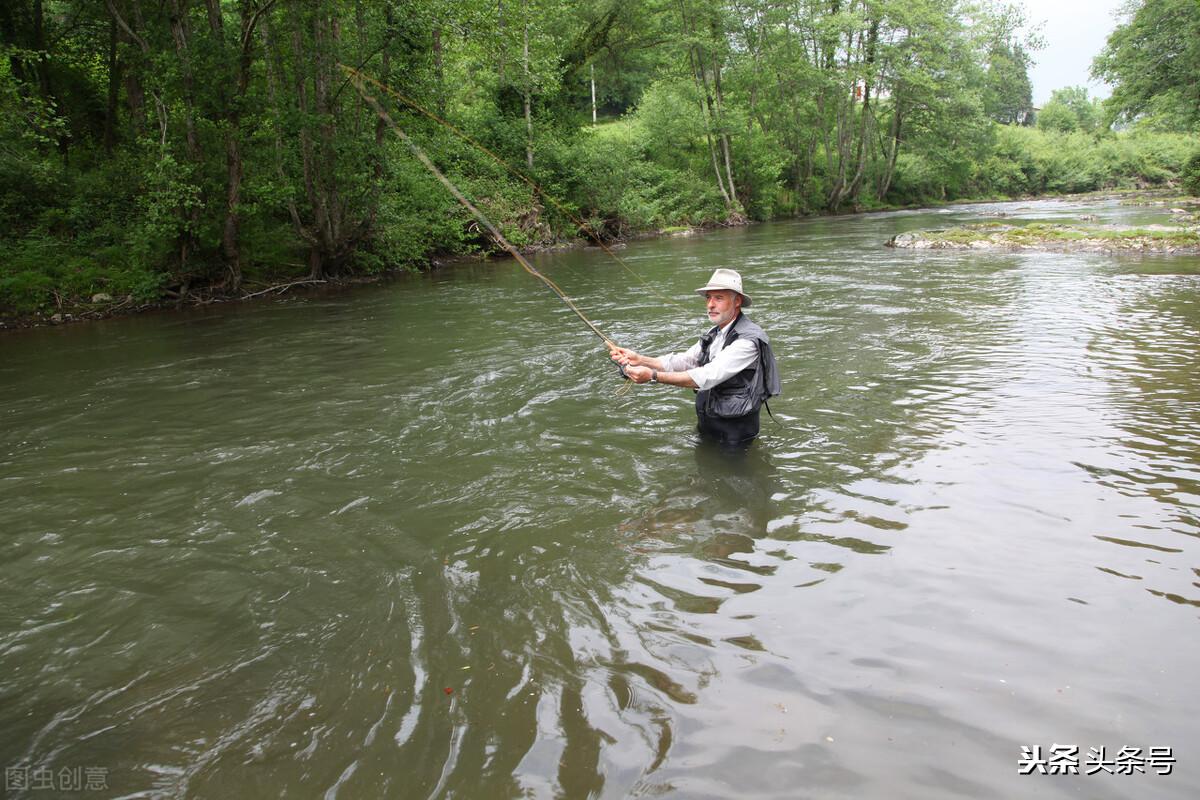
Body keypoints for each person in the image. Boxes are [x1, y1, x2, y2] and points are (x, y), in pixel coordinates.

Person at [610, 268, 781, 447]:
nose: (710, 305)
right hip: (708, 423)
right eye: (708, 297)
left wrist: (652, 376)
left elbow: (706, 376)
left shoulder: (748, 341)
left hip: (735, 434)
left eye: (718, 298)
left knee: (730, 474)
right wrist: (641, 359)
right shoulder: (715, 332)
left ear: (737, 301)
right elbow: (687, 360)